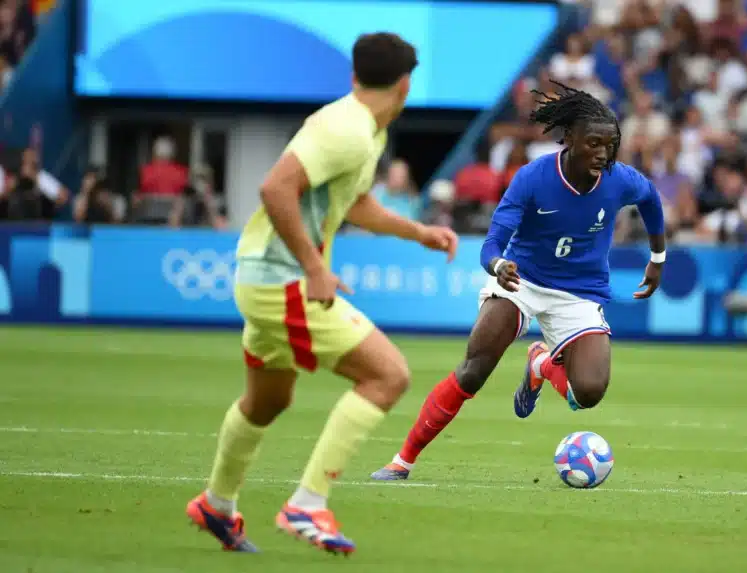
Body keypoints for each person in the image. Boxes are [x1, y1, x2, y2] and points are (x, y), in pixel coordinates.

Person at [185, 32, 458, 555]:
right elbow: (275, 188)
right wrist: (314, 267)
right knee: (388, 375)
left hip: (263, 275)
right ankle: (307, 504)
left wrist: (418, 232)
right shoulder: (348, 130)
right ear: (404, 85)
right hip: (280, 279)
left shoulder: (363, 130)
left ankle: (216, 505)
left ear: (356, 76)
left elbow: (354, 205)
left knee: (269, 399)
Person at [371, 81, 666, 481]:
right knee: (475, 367)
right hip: (521, 281)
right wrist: (497, 266)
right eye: (593, 143)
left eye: (609, 145)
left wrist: (657, 256)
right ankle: (402, 460)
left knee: (589, 394)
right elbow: (493, 242)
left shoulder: (619, 179)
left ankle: (541, 363)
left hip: (579, 293)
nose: (602, 153)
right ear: (568, 139)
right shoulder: (532, 178)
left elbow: (649, 197)